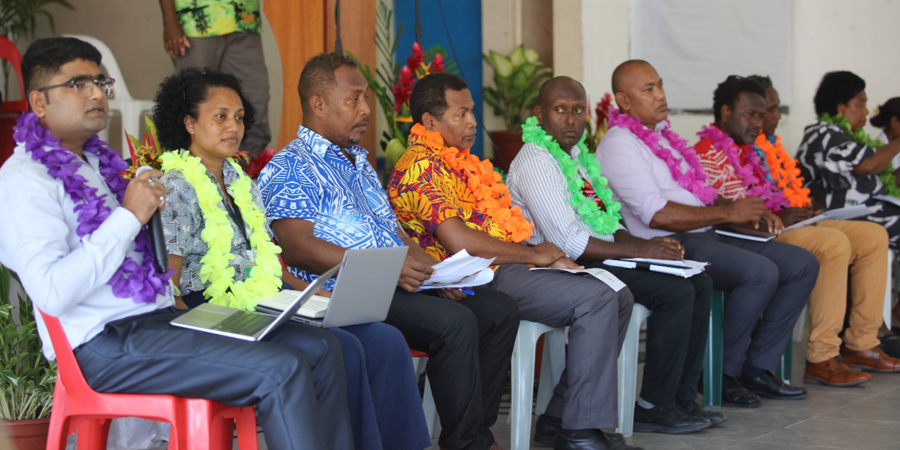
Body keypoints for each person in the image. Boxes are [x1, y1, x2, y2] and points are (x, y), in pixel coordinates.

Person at [0, 37, 353, 450]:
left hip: (160, 318)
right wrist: (129, 216)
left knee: (322, 349)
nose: (96, 93)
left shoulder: (95, 164)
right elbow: (53, 292)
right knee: (284, 367)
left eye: (100, 81)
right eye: (78, 84)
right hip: (105, 343)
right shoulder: (24, 181)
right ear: (39, 102)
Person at [153, 67, 429, 450]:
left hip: (265, 296)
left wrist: (317, 296)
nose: (233, 126)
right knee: (340, 347)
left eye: (238, 117)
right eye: (220, 117)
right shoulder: (175, 187)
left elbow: (273, 268)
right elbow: (168, 283)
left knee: (383, 338)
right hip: (209, 308)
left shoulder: (240, 183)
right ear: (188, 123)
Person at [257, 52, 519, 450]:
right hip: (347, 291)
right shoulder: (292, 165)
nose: (365, 110)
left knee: (499, 312)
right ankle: (467, 443)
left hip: (394, 279)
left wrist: (438, 273)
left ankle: (476, 430)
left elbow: (396, 234)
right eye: (354, 100)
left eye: (366, 99)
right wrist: (387, 268)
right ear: (318, 105)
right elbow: (298, 249)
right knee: (454, 324)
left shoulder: (358, 163)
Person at [388, 72, 639, 450]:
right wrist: (537, 254)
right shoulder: (421, 165)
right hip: (476, 277)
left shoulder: (460, 162)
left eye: (472, 112)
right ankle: (580, 433)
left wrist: (540, 258)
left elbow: (500, 229)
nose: (473, 121)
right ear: (429, 122)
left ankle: (560, 418)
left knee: (617, 294)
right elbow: (460, 240)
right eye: (462, 114)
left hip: (506, 266)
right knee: (598, 298)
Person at [597, 60, 819, 408]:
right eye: (648, 89)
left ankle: (755, 367)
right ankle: (722, 374)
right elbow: (657, 213)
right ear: (623, 101)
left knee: (801, 264)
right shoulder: (619, 145)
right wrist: (729, 212)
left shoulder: (664, 138)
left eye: (660, 85)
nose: (661, 95)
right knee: (760, 273)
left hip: (707, 231)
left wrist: (748, 211)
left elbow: (700, 193)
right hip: (668, 243)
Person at [506, 76, 719, 434]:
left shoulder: (576, 157)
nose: (572, 120)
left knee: (698, 281)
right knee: (676, 292)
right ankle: (655, 405)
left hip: (598, 254)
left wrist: (648, 248)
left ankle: (681, 397)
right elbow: (572, 243)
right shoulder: (537, 163)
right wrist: (641, 249)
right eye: (560, 111)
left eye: (578, 110)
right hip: (563, 267)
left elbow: (607, 221)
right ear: (539, 115)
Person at [695, 74, 900, 386]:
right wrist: (778, 214)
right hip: (752, 235)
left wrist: (793, 210)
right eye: (755, 113)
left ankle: (862, 342)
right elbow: (729, 211)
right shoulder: (708, 152)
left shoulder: (755, 149)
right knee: (832, 244)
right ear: (726, 113)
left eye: (765, 113)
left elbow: (772, 196)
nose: (764, 120)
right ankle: (823, 355)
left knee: (873, 236)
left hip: (780, 224)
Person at [796, 71, 900, 246]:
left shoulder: (845, 137)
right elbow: (866, 165)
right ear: (840, 106)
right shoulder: (824, 132)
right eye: (860, 104)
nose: (866, 111)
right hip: (834, 218)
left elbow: (883, 178)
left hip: (865, 215)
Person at [158, 0, 270, 155]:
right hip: (196, 21)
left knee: (256, 101)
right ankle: (190, 175)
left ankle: (247, 172)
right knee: (194, 107)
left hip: (244, 19)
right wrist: (169, 20)